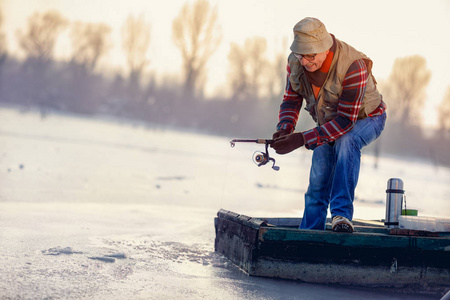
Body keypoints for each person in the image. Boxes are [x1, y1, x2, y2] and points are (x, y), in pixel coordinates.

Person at [270, 17, 387, 233]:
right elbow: (291, 99)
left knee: (346, 140)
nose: (304, 62)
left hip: (368, 118)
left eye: (310, 56)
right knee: (319, 173)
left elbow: (345, 122)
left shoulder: (353, 65)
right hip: (330, 123)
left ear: (325, 49)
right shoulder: (295, 62)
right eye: (299, 55)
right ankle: (309, 231)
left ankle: (341, 215)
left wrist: (302, 139)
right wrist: (285, 129)